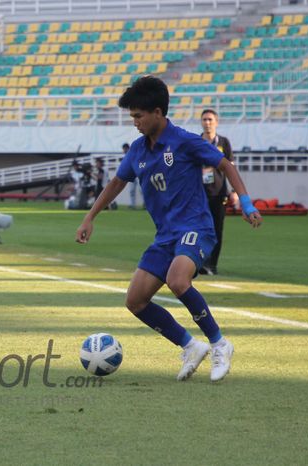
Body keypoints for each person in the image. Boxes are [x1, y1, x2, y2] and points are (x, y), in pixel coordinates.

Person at [76, 76, 262, 382]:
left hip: (197, 227)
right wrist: (90, 217)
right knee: (135, 300)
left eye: (139, 116)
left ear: (159, 113)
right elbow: (116, 182)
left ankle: (219, 343)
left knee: (178, 280)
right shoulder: (138, 150)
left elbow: (225, 165)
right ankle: (190, 346)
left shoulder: (184, 141)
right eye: (132, 116)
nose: (134, 122)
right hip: (165, 236)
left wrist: (246, 202)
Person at [199, 109, 234, 275]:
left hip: (219, 194)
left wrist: (234, 190)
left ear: (216, 122)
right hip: (199, 194)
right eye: (205, 119)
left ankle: (212, 264)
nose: (207, 123)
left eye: (210, 120)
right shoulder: (196, 142)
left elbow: (231, 168)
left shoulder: (224, 143)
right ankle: (200, 262)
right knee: (200, 229)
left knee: (217, 229)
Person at [123, 143, 139, 209]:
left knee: (142, 190)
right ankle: (133, 205)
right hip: (132, 174)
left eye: (124, 149)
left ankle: (146, 205)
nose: (124, 150)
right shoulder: (125, 156)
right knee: (132, 191)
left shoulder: (134, 153)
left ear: (127, 148)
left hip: (138, 174)